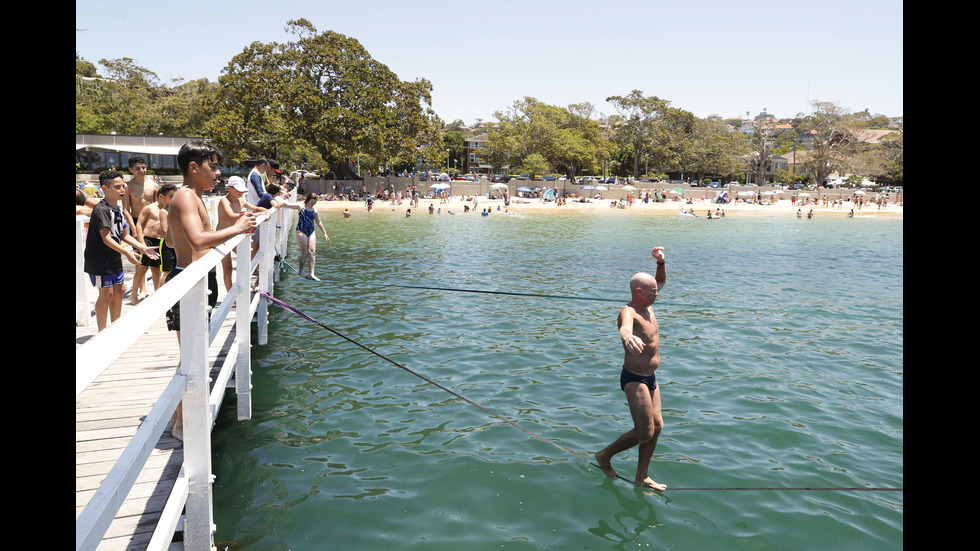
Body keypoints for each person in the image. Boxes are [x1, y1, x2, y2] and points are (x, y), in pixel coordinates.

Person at [165, 142, 256, 441]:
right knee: (190, 359)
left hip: (196, 281)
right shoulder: (186, 197)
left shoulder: (191, 197)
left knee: (191, 355)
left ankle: (177, 418)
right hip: (188, 284)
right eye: (213, 166)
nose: (218, 173)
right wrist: (238, 227)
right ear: (194, 167)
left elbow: (170, 241)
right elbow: (198, 241)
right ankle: (180, 425)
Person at [595, 247, 668, 490]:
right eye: (653, 291)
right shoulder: (629, 311)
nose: (658, 293)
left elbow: (660, 281)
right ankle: (604, 455)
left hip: (651, 376)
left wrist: (660, 262)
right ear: (639, 292)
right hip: (634, 378)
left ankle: (642, 476)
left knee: (657, 426)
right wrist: (626, 337)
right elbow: (625, 327)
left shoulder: (649, 304)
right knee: (644, 431)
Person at [84, 169, 159, 331]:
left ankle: (115, 328)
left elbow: (124, 235)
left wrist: (142, 247)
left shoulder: (118, 209)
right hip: (99, 259)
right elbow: (106, 237)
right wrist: (127, 252)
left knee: (120, 290)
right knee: (107, 294)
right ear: (104, 188)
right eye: (117, 187)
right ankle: (102, 332)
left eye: (123, 186)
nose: (122, 190)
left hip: (113, 256)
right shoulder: (101, 209)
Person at [216, 176, 267, 291]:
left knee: (244, 260)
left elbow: (256, 208)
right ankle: (230, 294)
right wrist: (251, 215)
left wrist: (267, 211)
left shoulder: (242, 201)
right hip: (221, 237)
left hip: (234, 235)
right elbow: (230, 215)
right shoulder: (224, 201)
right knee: (227, 268)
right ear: (229, 188)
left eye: (243, 190)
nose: (241, 192)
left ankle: (246, 285)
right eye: (238, 190)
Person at [123, 156, 159, 305]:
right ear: (131, 170)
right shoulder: (128, 187)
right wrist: (133, 227)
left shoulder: (154, 186)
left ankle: (156, 291)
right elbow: (125, 209)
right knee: (140, 259)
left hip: (152, 224)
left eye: (143, 167)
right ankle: (141, 289)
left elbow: (159, 207)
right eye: (137, 168)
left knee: (156, 258)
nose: (141, 170)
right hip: (136, 221)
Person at [135, 183, 178, 292]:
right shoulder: (150, 208)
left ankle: (157, 291)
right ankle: (134, 293)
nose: (174, 199)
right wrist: (141, 242)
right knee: (142, 268)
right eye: (171, 197)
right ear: (161, 197)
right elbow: (139, 224)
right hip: (148, 239)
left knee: (156, 270)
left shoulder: (169, 210)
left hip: (161, 241)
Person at [280, 193, 329, 280]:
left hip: (311, 231)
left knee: (312, 251)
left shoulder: (315, 210)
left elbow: (319, 222)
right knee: (305, 252)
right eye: (311, 202)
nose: (312, 204)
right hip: (301, 230)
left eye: (314, 202)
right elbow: (286, 205)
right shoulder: (300, 206)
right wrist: (280, 200)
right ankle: (301, 270)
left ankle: (312, 273)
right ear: (307, 200)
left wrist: (325, 233)